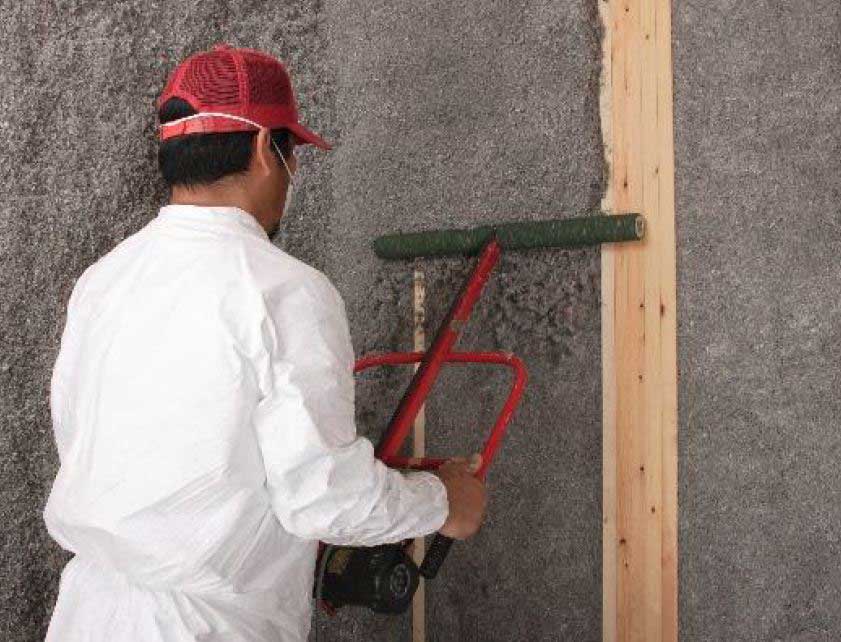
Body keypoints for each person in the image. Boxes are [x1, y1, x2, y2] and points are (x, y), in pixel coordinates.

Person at [43, 43, 487, 641]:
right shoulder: (285, 292)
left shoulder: (103, 282)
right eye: (290, 152)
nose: (292, 173)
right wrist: (444, 503)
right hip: (210, 627)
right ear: (262, 148)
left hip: (87, 615)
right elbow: (321, 498)